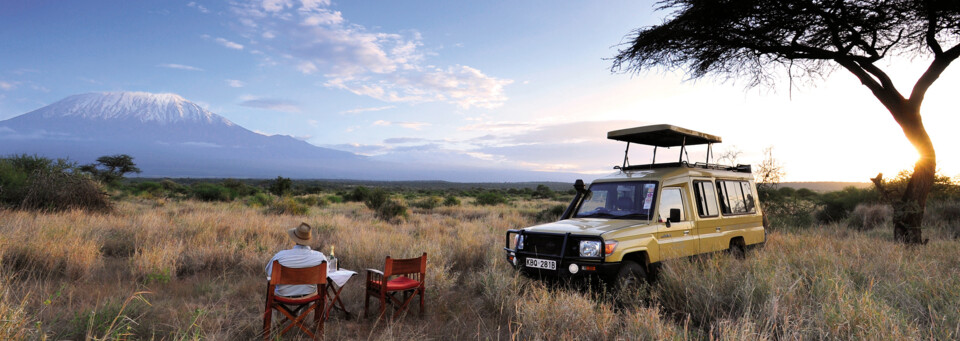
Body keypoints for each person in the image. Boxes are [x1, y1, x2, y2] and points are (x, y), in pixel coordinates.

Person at [265, 222, 327, 297]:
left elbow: (269, 272)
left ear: (295, 238)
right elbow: (325, 275)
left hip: (282, 296)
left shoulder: (280, 257)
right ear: (310, 239)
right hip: (310, 296)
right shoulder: (320, 258)